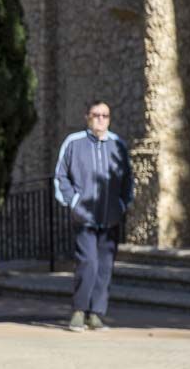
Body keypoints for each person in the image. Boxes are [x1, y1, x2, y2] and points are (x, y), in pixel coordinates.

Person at [53, 100, 133, 332]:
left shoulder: (118, 145)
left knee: (105, 265)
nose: (100, 119)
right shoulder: (74, 143)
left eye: (105, 115)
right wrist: (74, 202)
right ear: (87, 117)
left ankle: (96, 313)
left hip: (110, 217)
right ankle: (79, 311)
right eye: (96, 115)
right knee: (88, 262)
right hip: (84, 217)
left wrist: (121, 204)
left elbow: (128, 178)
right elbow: (61, 176)